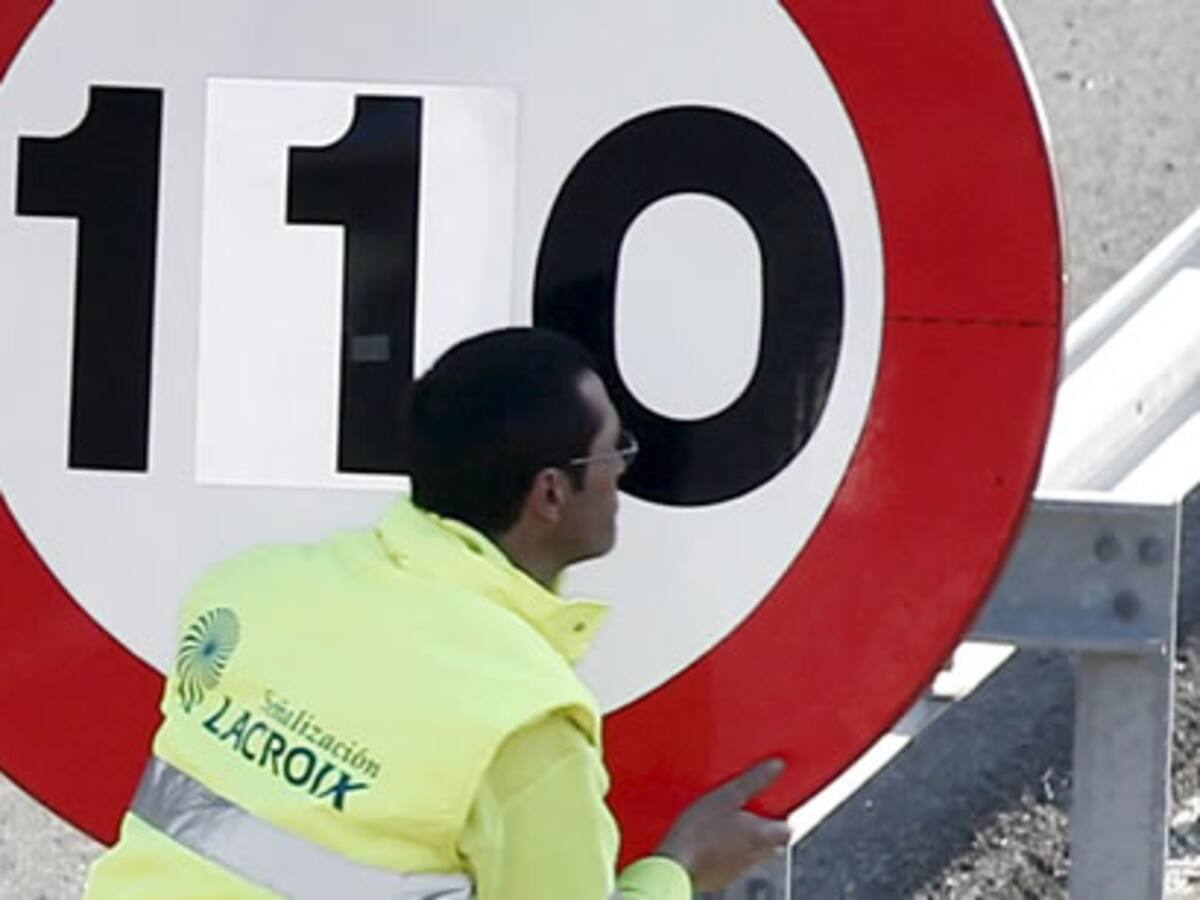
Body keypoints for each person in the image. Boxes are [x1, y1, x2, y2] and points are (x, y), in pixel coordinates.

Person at [85, 327, 790, 899]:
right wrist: (681, 868)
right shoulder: (521, 727)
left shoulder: (243, 590)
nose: (624, 473)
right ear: (550, 494)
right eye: (616, 451)